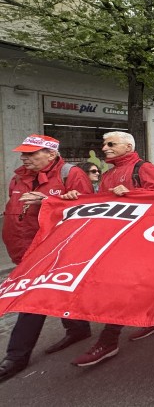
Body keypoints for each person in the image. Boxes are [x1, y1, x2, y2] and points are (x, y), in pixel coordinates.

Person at [69, 131, 154, 367]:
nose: (104, 148)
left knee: (121, 290)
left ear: (127, 146)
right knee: (138, 285)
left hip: (142, 240)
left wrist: (134, 194)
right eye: (104, 144)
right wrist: (74, 198)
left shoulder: (144, 168)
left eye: (111, 144)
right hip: (116, 240)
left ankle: (108, 341)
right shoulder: (108, 174)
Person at [0, 135, 94, 383]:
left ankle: (15, 358)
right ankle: (78, 329)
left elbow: (90, 209)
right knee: (58, 290)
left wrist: (50, 200)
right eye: (23, 154)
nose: (24, 158)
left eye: (31, 154)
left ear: (51, 154)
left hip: (54, 247)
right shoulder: (19, 176)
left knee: (31, 299)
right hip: (23, 247)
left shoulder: (71, 174)